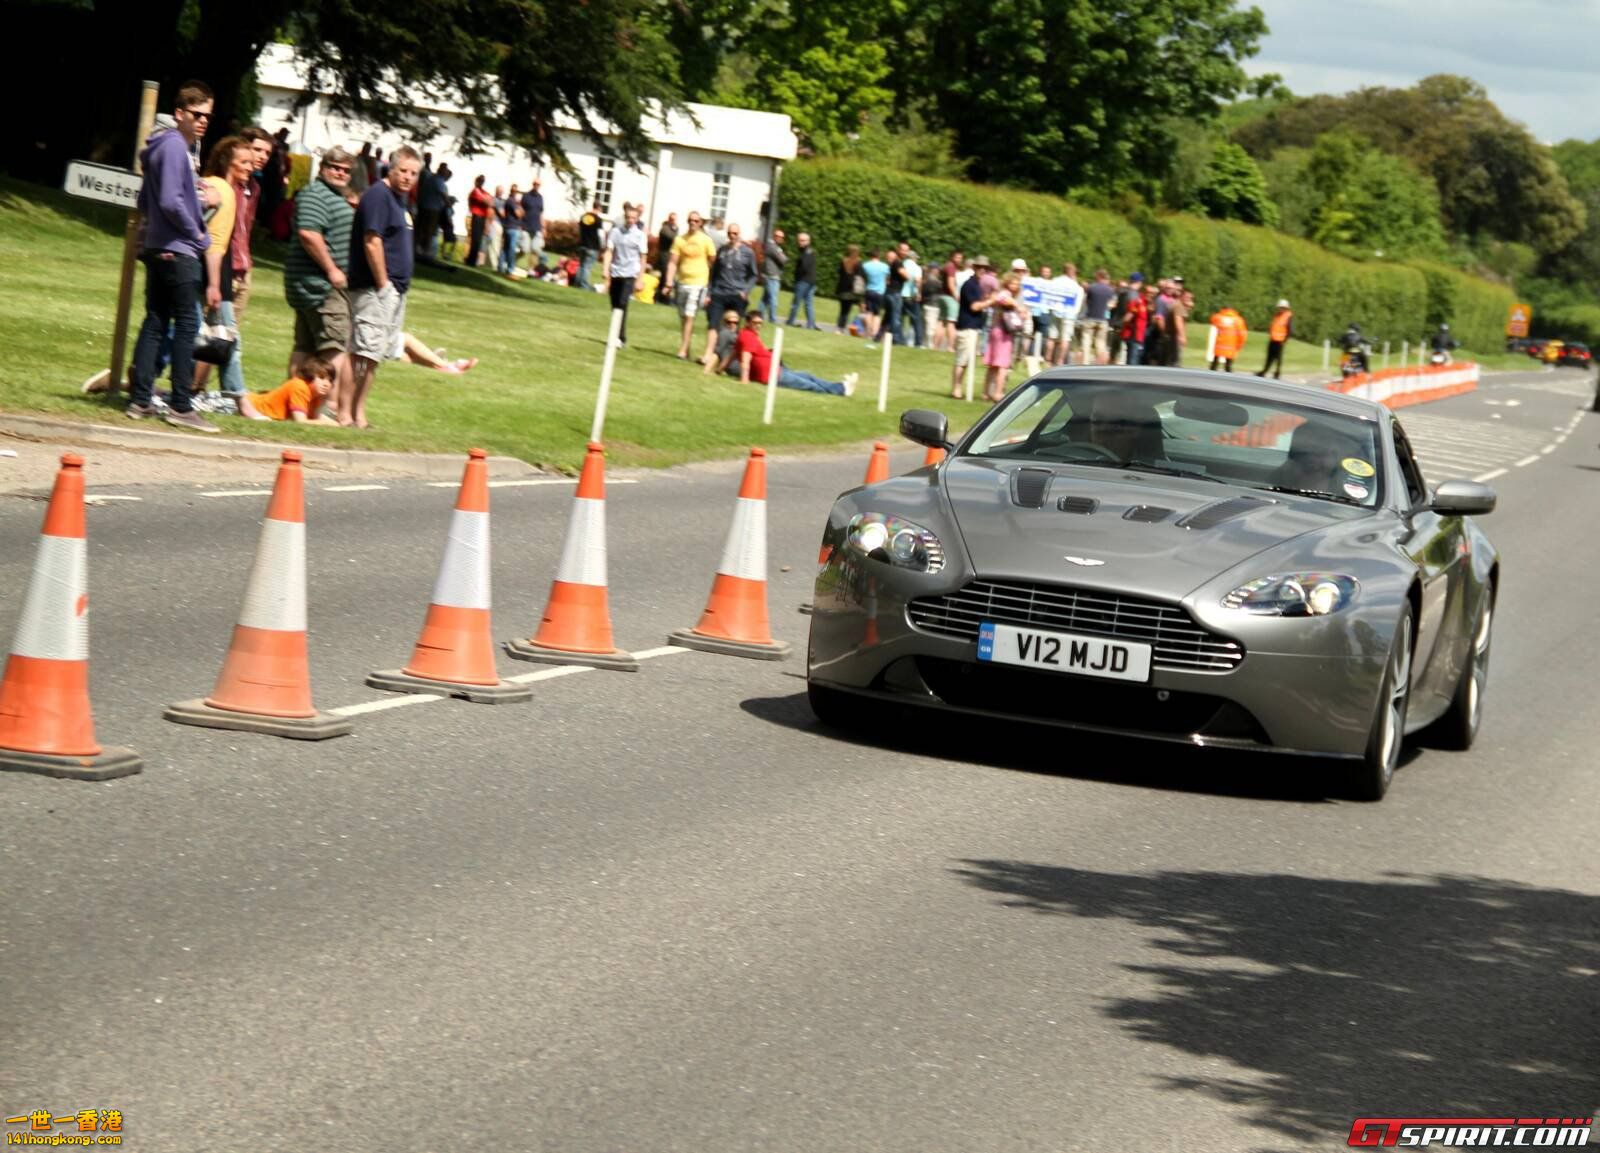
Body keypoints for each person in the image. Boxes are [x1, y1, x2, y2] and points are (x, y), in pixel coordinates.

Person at [128, 80, 219, 432]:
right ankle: (181, 405)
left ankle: (140, 399)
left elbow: (147, 200)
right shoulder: (172, 148)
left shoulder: (168, 148)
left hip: (158, 245)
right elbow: (169, 201)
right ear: (178, 113)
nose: (202, 121)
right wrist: (196, 232)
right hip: (177, 248)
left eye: (207, 116)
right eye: (196, 114)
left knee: (155, 319)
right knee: (186, 324)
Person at [346, 144, 420, 429]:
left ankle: (359, 414)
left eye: (413, 173)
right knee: (364, 352)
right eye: (403, 171)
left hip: (396, 290)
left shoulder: (401, 200)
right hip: (374, 289)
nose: (408, 177)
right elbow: (372, 240)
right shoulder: (379, 195)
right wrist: (383, 284)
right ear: (392, 168)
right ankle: (347, 414)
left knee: (376, 355)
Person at [282, 147, 356, 411]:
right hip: (321, 285)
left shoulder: (331, 195)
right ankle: (327, 407)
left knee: (305, 345)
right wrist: (332, 269)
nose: (340, 173)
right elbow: (308, 234)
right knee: (335, 345)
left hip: (311, 284)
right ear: (323, 167)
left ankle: (297, 404)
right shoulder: (316, 194)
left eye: (346, 170)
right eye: (335, 167)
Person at [190, 135, 252, 401]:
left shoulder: (214, 186)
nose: (251, 166)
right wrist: (215, 284)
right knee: (227, 338)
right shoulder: (223, 191)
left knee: (196, 334)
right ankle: (237, 397)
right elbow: (213, 241)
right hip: (212, 275)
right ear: (229, 162)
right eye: (244, 162)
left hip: (204, 272)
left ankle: (222, 393)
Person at [732, 312, 856, 396]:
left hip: (776, 369)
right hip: (772, 375)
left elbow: (733, 353)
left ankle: (841, 386)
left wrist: (719, 369)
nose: (758, 326)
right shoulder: (747, 337)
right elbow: (746, 359)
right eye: (755, 323)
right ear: (747, 322)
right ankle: (842, 390)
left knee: (808, 375)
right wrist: (744, 379)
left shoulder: (747, 334)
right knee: (809, 385)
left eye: (760, 323)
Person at [701, 222, 758, 365]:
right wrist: (709, 292)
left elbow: (753, 275)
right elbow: (713, 273)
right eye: (730, 233)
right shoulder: (722, 250)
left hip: (736, 294)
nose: (732, 236)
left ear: (739, 235)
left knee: (734, 327)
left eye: (735, 234)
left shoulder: (748, 252)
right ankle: (708, 354)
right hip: (719, 292)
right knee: (713, 323)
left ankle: (729, 358)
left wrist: (745, 291)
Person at [664, 211, 717, 359]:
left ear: (700, 223)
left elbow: (714, 262)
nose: (693, 223)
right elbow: (673, 262)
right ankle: (686, 347)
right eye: (690, 220)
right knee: (683, 316)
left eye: (696, 221)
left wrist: (710, 283)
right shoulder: (680, 240)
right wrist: (669, 281)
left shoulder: (706, 240)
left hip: (699, 283)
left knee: (689, 315)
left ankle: (683, 349)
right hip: (682, 282)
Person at [235, 354, 340, 423]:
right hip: (245, 405)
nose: (326, 384)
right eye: (321, 378)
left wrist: (335, 424)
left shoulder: (316, 394)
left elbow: (316, 419)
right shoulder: (300, 387)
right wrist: (325, 423)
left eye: (330, 380)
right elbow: (301, 422)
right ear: (310, 376)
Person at [602, 201, 648, 346]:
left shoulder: (640, 235)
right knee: (615, 303)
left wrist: (640, 278)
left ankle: (618, 337)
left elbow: (643, 257)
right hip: (616, 272)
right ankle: (619, 335)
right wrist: (605, 269)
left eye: (633, 218)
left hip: (630, 274)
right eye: (628, 217)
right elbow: (609, 251)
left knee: (622, 302)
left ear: (637, 219)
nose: (630, 220)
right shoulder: (616, 232)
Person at [950, 255, 992, 397]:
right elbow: (974, 306)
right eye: (979, 267)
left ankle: (959, 389)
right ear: (974, 268)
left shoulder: (979, 285)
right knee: (962, 359)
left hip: (974, 327)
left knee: (967, 360)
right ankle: (956, 389)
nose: (982, 270)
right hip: (967, 326)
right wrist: (991, 301)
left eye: (984, 268)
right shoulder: (970, 285)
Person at [981, 270, 1024, 403]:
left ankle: (986, 392)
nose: (1015, 286)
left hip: (996, 330)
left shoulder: (1005, 294)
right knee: (1002, 365)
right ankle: (998, 393)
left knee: (993, 365)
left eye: (1017, 284)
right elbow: (1002, 299)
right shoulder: (1005, 294)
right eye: (1012, 283)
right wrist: (1018, 306)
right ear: (1007, 283)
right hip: (1002, 332)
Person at [1076, 268, 1116, 366]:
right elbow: (1112, 304)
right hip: (1102, 319)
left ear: (1098, 276)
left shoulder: (1091, 288)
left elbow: (1085, 301)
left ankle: (1085, 363)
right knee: (1100, 343)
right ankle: (1099, 365)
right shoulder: (1110, 290)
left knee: (1086, 341)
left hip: (1090, 318)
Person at [1048, 262, 1082, 365]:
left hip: (1055, 311)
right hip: (1069, 314)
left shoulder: (1055, 281)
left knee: (1052, 337)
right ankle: (1060, 360)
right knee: (1065, 339)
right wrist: (1076, 313)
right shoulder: (1075, 285)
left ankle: (1048, 359)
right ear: (1072, 272)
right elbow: (1078, 300)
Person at [785, 231, 819, 329]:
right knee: (808, 304)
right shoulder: (809, 251)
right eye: (799, 240)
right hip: (811, 281)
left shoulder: (807, 252)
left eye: (803, 240)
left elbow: (805, 267)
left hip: (803, 281)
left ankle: (790, 321)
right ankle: (811, 325)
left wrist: (797, 275)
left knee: (796, 303)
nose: (801, 242)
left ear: (808, 241)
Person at [860, 249, 890, 340]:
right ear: (879, 256)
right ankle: (874, 332)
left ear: (871, 255)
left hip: (869, 290)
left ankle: (868, 331)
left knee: (869, 312)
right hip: (880, 292)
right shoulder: (885, 266)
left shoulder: (865, 265)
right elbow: (888, 278)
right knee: (877, 314)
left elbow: (862, 277)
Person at [1258, 299, 1293, 379]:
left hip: (1280, 341)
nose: (1281, 309)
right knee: (1269, 357)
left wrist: (1285, 340)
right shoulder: (1277, 315)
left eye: (1282, 307)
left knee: (1278, 358)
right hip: (1273, 339)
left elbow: (1290, 329)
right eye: (1280, 307)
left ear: (1286, 308)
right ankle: (1264, 371)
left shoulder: (1288, 316)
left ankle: (1277, 373)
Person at [1120, 283, 1153, 366]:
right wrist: (1130, 327)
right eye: (1149, 293)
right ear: (1143, 292)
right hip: (1134, 336)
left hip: (1140, 337)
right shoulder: (1137, 302)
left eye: (1152, 293)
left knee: (1135, 360)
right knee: (1132, 361)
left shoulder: (1146, 304)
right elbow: (1127, 318)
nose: (1151, 295)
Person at [835, 244, 863, 334]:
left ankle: (839, 327)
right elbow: (860, 275)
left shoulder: (844, 261)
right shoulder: (858, 262)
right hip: (852, 289)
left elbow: (839, 272)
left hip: (842, 288)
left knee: (842, 309)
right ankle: (842, 327)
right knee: (847, 311)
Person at [1209, 304, 1247, 371]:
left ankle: (1212, 371)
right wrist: (1240, 344)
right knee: (1228, 364)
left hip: (1219, 345)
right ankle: (1228, 372)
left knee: (1215, 363)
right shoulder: (1238, 320)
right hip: (1231, 345)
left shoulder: (1218, 317)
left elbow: (1212, 320)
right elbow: (1242, 334)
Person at [576, 199, 604, 289]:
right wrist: (602, 246)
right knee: (587, 267)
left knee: (581, 265)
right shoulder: (598, 219)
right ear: (599, 208)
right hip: (593, 246)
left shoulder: (584, 216)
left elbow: (579, 229)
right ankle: (584, 285)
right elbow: (600, 234)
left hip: (582, 244)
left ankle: (577, 283)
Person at [920, 258, 947, 351]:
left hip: (928, 304)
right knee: (931, 326)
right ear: (933, 269)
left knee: (927, 325)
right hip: (932, 305)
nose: (938, 271)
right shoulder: (933, 281)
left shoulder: (926, 279)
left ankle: (925, 343)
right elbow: (939, 291)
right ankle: (929, 344)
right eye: (937, 269)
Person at [760, 229, 786, 323]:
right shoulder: (772, 247)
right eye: (779, 236)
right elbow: (783, 259)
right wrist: (782, 254)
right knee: (773, 299)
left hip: (771, 275)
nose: (781, 239)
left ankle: (758, 316)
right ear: (774, 236)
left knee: (764, 299)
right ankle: (773, 319)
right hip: (772, 276)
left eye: (782, 237)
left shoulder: (774, 247)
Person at [465, 175, 492, 266]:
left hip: (483, 217)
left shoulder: (483, 192)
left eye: (482, 181)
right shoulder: (475, 191)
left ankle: (473, 259)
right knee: (475, 239)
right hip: (476, 216)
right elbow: (486, 202)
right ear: (476, 181)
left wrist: (487, 200)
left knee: (478, 239)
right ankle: (471, 259)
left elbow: (491, 202)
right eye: (479, 181)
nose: (481, 183)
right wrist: (487, 200)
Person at [497, 184, 523, 276]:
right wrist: (520, 207)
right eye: (515, 191)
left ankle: (500, 267)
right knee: (512, 249)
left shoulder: (508, 201)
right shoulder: (512, 201)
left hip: (508, 226)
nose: (515, 193)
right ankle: (510, 269)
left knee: (505, 248)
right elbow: (519, 214)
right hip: (513, 227)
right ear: (512, 191)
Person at [521, 179, 545, 272]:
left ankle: (530, 270)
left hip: (537, 227)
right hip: (525, 226)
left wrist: (543, 227)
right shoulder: (526, 196)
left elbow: (541, 213)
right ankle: (511, 261)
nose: (537, 186)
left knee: (535, 249)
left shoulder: (540, 197)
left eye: (538, 184)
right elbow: (521, 210)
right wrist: (520, 224)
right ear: (533, 184)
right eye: (535, 184)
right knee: (524, 249)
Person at [655, 212, 678, 303]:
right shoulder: (665, 229)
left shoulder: (673, 228)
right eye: (672, 219)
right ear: (669, 219)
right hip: (664, 255)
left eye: (675, 220)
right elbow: (673, 238)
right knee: (665, 277)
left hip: (670, 256)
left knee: (666, 277)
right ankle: (662, 298)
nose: (673, 221)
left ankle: (663, 297)